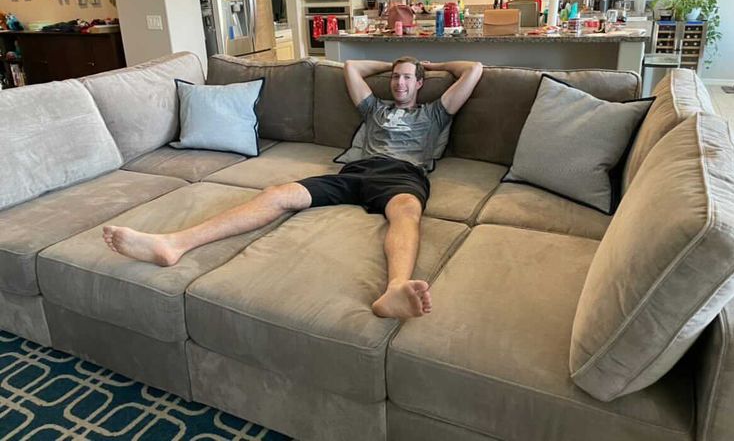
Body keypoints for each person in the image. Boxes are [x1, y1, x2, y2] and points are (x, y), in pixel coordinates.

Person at [103, 57, 483, 319]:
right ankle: (174, 244)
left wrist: (433, 67)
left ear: (420, 84)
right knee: (277, 194)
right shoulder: (375, 108)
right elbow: (352, 67)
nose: (399, 83)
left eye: (407, 78)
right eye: (396, 77)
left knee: (406, 214)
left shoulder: (433, 111)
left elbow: (474, 69)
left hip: (401, 174)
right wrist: (389, 64)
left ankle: (396, 287)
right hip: (355, 171)